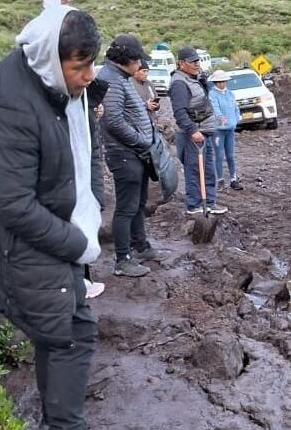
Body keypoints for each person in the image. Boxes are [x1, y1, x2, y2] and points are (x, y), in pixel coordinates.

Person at [0, 5, 129, 430]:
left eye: (91, 65)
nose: (87, 77)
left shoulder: (45, 84)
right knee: (68, 337)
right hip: (23, 248)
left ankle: (65, 429)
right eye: (79, 67)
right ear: (50, 57)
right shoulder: (10, 101)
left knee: (66, 333)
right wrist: (76, 242)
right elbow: (10, 203)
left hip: (41, 241)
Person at [98, 34, 163, 277]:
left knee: (137, 203)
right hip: (124, 153)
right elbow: (112, 120)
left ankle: (141, 247)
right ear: (127, 60)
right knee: (126, 207)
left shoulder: (119, 77)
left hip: (134, 152)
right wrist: (140, 139)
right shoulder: (111, 80)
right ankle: (123, 260)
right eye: (138, 61)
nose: (140, 66)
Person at [169, 46, 228, 215]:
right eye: (193, 62)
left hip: (204, 133)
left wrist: (202, 80)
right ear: (181, 64)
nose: (197, 64)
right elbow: (179, 112)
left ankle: (209, 202)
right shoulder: (179, 83)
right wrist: (193, 130)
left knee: (209, 170)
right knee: (195, 170)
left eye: (198, 61)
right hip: (193, 135)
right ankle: (194, 205)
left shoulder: (193, 79)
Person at [207, 70, 243, 191]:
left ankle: (233, 179)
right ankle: (220, 180)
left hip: (230, 129)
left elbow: (236, 108)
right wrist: (221, 118)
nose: (222, 84)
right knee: (219, 155)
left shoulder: (230, 94)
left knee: (231, 156)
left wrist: (236, 120)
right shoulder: (212, 94)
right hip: (218, 130)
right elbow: (215, 109)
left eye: (223, 81)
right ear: (215, 82)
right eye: (219, 82)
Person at [130, 59, 162, 131]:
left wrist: (156, 105)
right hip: (136, 124)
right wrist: (145, 105)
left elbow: (155, 98)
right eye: (144, 71)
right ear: (136, 71)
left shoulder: (149, 84)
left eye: (147, 71)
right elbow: (129, 105)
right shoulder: (129, 84)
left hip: (151, 122)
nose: (146, 74)